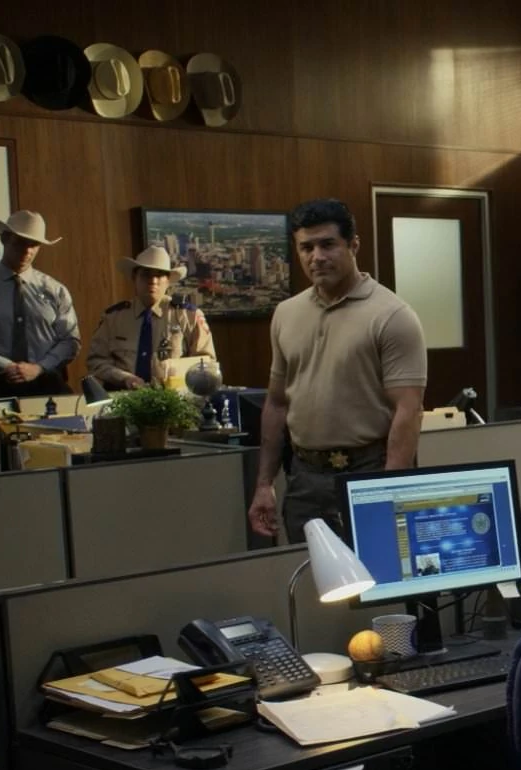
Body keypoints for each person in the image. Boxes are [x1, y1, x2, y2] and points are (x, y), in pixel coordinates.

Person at [248, 198, 427, 543]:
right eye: (307, 247)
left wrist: (388, 491)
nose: (317, 256)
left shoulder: (392, 315)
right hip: (305, 476)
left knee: (377, 573)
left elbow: (408, 410)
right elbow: (277, 404)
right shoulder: (286, 313)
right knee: (309, 573)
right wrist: (264, 484)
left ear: (353, 245)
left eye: (327, 244)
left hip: (369, 470)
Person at [87, 247, 216, 389]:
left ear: (168, 281)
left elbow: (206, 363)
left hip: (173, 397)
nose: (153, 281)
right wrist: (124, 378)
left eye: (159, 275)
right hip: (123, 397)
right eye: (146, 275)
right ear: (134, 278)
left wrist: (175, 373)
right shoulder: (113, 318)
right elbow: (96, 362)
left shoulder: (188, 316)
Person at [0, 210, 79, 398]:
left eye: (34, 245)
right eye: (20, 242)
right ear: (5, 239)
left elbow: (70, 341)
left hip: (46, 386)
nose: (27, 251)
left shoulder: (55, 290)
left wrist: (38, 368)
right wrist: (4, 365)